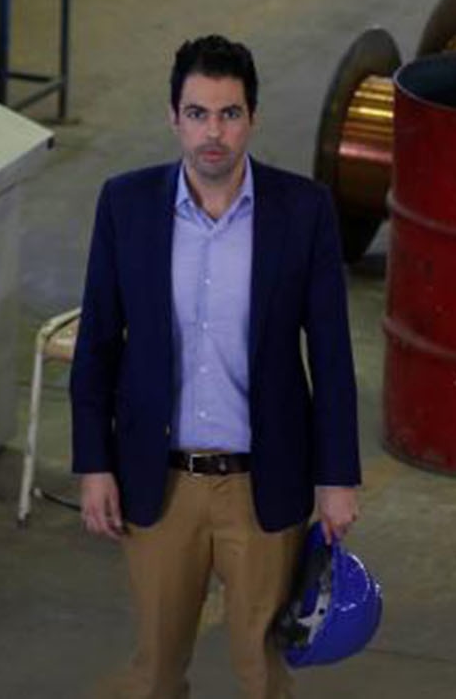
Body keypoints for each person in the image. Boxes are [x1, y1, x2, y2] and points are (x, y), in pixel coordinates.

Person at [70, 34, 362, 699]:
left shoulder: (303, 212)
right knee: (155, 672)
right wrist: (94, 464)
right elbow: (98, 349)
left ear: (252, 118)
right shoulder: (126, 206)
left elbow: (332, 355)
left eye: (229, 114)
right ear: (173, 116)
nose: (213, 133)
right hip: (160, 484)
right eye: (198, 113)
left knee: (262, 671)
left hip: (262, 487)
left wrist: (336, 479)